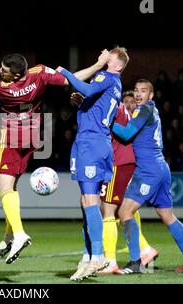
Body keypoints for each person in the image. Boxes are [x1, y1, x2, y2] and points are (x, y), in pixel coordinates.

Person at [0, 33, 108, 264]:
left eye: (4, 70)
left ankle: (18, 234)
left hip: (12, 135)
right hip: (31, 135)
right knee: (12, 186)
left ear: (15, 75)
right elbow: (71, 79)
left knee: (2, 187)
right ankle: (9, 236)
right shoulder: (39, 74)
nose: (0, 71)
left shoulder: (4, 90)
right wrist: (97, 65)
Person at [112, 79, 183, 274]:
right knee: (167, 216)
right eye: (136, 90)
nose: (138, 94)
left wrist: (108, 122)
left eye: (143, 91)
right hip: (160, 167)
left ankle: (135, 262)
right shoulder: (149, 110)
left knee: (124, 212)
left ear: (151, 95)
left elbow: (126, 134)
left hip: (148, 170)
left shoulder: (144, 110)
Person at [58, 46, 129, 281]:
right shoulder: (113, 84)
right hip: (91, 141)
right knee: (85, 201)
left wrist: (65, 72)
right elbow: (91, 98)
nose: (103, 57)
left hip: (92, 143)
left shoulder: (107, 75)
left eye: (108, 56)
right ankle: (88, 256)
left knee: (90, 200)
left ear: (117, 65)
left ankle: (98, 255)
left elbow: (83, 84)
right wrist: (82, 103)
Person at [98, 90, 158, 273]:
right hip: (127, 164)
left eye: (133, 101)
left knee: (106, 209)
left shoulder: (117, 112)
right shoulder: (131, 116)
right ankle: (145, 249)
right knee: (125, 209)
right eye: (127, 101)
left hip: (119, 164)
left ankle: (110, 261)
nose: (130, 104)